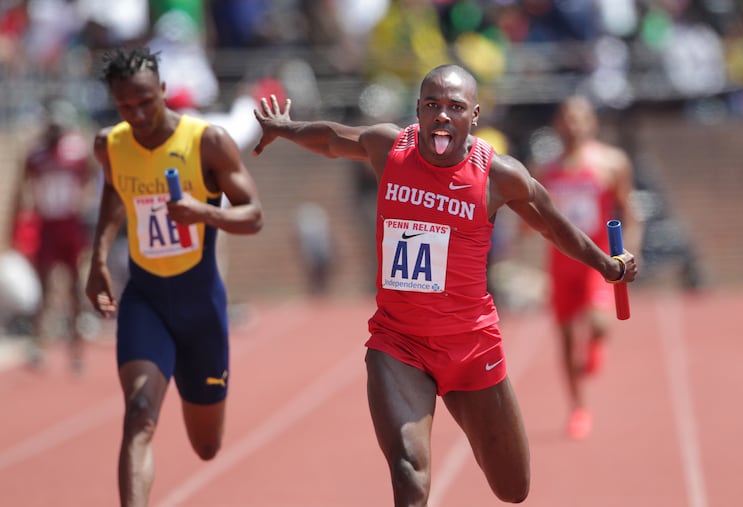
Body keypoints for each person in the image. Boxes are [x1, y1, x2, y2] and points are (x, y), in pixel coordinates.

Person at [253, 64, 638, 505]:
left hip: (471, 347)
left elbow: (553, 225)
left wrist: (605, 265)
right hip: (399, 344)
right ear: (417, 110)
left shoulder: (498, 176)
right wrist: (285, 129)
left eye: (455, 107)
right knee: (408, 472)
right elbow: (331, 138)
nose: (441, 116)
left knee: (513, 488)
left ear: (474, 117)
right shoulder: (389, 148)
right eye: (432, 105)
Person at [85, 47, 263, 507]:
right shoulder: (111, 145)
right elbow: (111, 193)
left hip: (200, 304)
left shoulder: (207, 141)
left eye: (146, 101)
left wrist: (203, 211)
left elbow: (254, 215)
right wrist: (99, 259)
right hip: (145, 300)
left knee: (207, 447)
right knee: (140, 413)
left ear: (163, 90)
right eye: (126, 106)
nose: (138, 114)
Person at [532, 95, 642, 440]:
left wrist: (629, 252)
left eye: (580, 118)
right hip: (561, 262)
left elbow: (630, 211)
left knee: (598, 323)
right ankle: (578, 408)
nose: (574, 125)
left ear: (592, 123)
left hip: (598, 261)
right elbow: (535, 219)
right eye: (567, 118)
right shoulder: (545, 170)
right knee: (565, 338)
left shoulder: (612, 163)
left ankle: (596, 342)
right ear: (557, 124)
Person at [13, 97, 96, 373]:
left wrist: (84, 202)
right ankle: (39, 343)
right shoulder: (37, 154)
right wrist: (22, 217)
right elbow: (22, 185)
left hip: (69, 223)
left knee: (74, 287)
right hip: (47, 223)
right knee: (44, 287)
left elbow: (92, 175)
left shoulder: (76, 150)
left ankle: (76, 348)